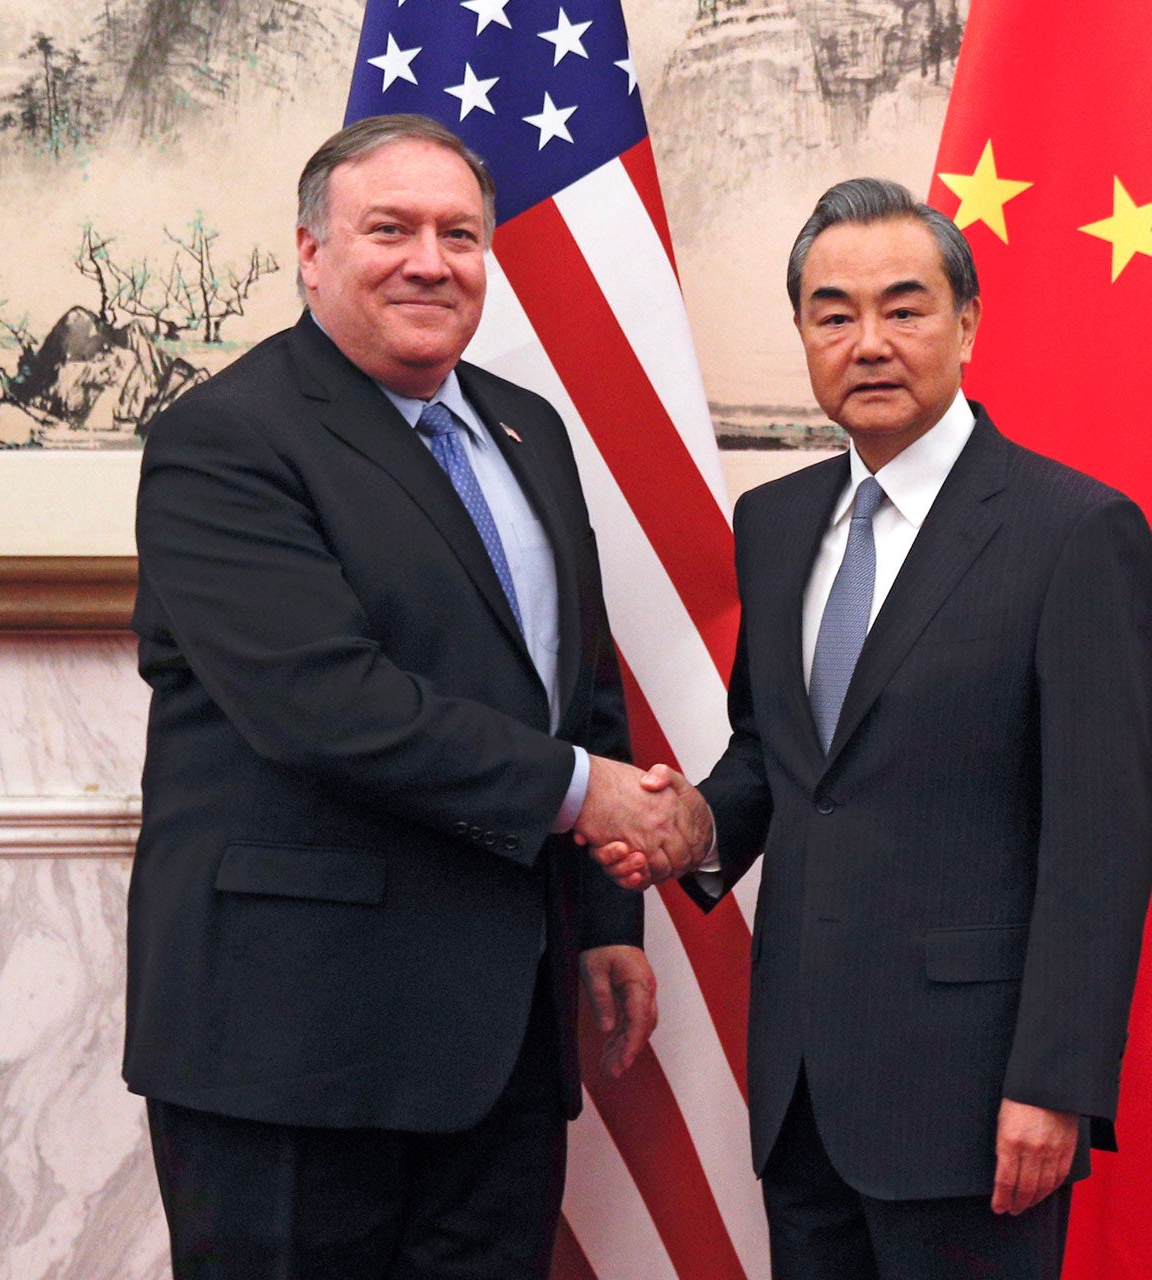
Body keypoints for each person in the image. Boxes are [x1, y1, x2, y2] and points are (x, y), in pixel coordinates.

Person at [125, 113, 709, 1280]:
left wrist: (604, 923)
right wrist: (593, 797)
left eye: (460, 233)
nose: (429, 260)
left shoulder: (524, 428)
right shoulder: (225, 438)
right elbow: (324, 703)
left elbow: (574, 677)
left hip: (501, 1042)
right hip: (299, 1051)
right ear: (309, 251)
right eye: (387, 229)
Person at [598, 178, 1152, 1278]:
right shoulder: (773, 524)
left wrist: (1054, 1080)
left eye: (903, 309)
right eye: (833, 313)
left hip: (974, 1098)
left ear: (967, 322)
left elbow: (1100, 840)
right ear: (804, 334)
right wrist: (695, 829)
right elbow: (783, 756)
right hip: (804, 1090)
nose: (868, 342)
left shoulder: (1076, 532)